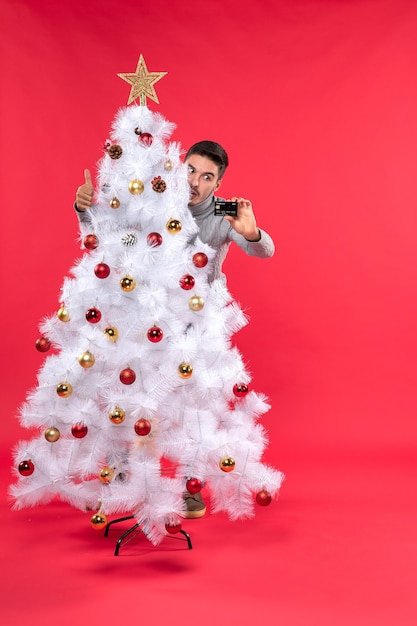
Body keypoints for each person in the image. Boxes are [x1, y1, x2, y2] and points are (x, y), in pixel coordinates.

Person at [74, 140, 275, 518]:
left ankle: (190, 486)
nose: (196, 181)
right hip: (147, 321)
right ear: (179, 167)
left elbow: (263, 250)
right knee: (128, 392)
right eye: (191, 170)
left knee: (193, 411)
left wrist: (251, 233)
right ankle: (118, 476)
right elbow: (111, 233)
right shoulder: (155, 198)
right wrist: (84, 208)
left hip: (195, 328)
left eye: (207, 176)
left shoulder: (221, 212)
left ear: (217, 184)